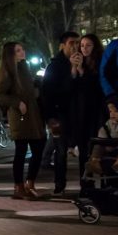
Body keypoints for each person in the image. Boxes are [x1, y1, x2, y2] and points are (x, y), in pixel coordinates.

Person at [0, 42, 46, 200]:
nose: (22, 52)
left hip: (33, 115)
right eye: (18, 50)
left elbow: (29, 89)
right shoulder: (7, 71)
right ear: (10, 54)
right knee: (21, 152)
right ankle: (19, 187)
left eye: (22, 49)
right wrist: (17, 103)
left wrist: (36, 91)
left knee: (38, 148)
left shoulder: (24, 67)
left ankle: (30, 183)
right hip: (20, 117)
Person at [40, 31, 80, 197]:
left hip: (78, 113)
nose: (75, 46)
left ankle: (87, 184)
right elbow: (47, 93)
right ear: (62, 45)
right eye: (72, 43)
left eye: (77, 42)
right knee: (61, 150)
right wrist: (50, 117)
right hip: (60, 113)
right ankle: (59, 184)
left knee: (84, 149)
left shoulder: (83, 62)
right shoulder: (55, 66)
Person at [69, 33, 106, 191]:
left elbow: (96, 88)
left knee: (99, 149)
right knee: (84, 150)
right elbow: (72, 86)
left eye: (88, 45)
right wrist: (74, 68)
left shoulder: (100, 63)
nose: (84, 48)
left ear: (95, 47)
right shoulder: (76, 63)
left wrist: (82, 72)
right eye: (82, 45)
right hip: (81, 113)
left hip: (97, 112)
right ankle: (86, 184)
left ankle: (105, 183)